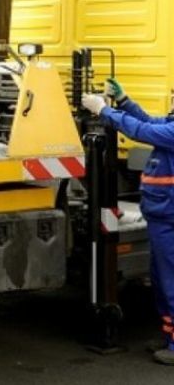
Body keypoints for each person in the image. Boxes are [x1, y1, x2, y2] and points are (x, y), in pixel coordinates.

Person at [83, 77, 174, 365]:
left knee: (170, 280)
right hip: (162, 214)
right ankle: (168, 335)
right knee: (160, 280)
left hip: (169, 215)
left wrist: (104, 111)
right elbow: (149, 121)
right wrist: (124, 101)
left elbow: (143, 130)